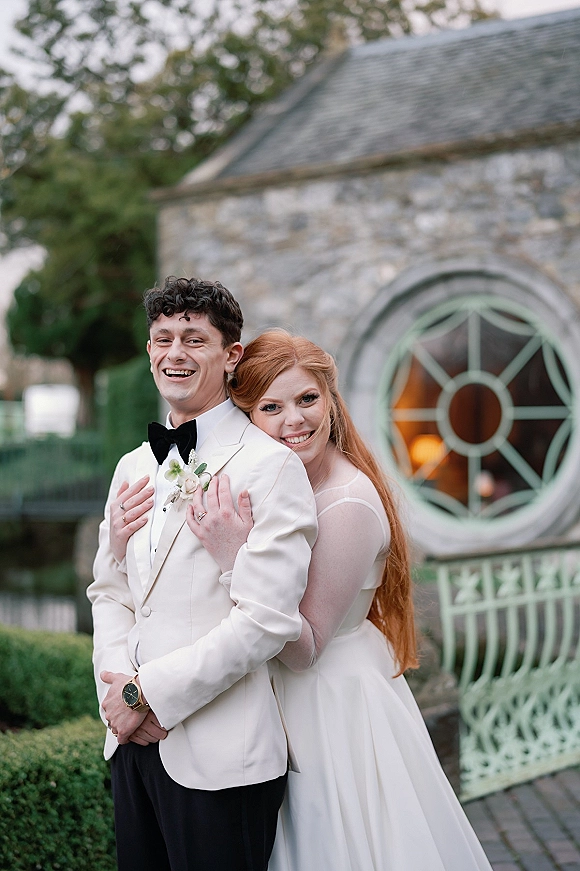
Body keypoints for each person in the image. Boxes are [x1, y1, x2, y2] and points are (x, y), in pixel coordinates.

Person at [184, 330, 494, 871]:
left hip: (331, 700)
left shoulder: (347, 503)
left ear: (331, 399)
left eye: (307, 399)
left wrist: (234, 557)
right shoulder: (274, 481)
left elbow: (305, 648)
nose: (293, 420)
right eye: (270, 407)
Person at [87, 281, 317, 871]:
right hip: (131, 745)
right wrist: (117, 694)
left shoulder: (271, 467)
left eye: (195, 339)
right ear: (149, 350)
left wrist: (151, 694)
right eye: (163, 339)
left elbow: (267, 621)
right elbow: (109, 589)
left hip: (222, 756)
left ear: (231, 355)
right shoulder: (131, 466)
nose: (175, 353)